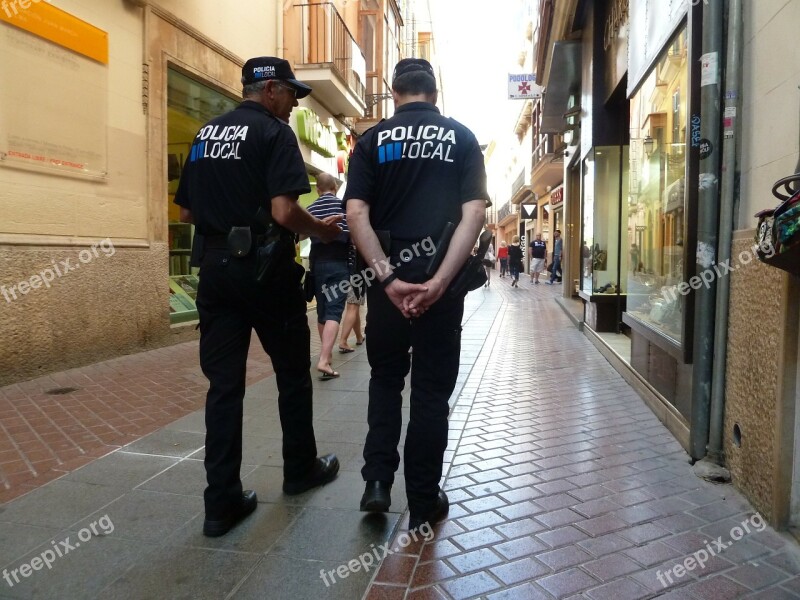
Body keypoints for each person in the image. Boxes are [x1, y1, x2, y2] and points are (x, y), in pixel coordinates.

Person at [174, 56, 341, 537]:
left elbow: (185, 212)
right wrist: (322, 232)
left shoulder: (206, 134)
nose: (293, 104)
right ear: (269, 91)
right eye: (290, 93)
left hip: (214, 275)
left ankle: (220, 503)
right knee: (292, 373)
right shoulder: (274, 133)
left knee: (223, 388)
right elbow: (285, 211)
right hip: (266, 272)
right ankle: (299, 469)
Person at [344, 58, 489, 530]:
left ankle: (377, 484)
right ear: (434, 92)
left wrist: (387, 279)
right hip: (440, 288)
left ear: (394, 91)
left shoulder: (370, 141)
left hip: (386, 289)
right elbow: (474, 217)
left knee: (385, 380)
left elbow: (357, 214)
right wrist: (440, 282)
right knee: (430, 392)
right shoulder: (463, 139)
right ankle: (423, 498)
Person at [305, 173, 349, 378]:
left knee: (322, 311)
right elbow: (354, 236)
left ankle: (327, 356)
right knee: (334, 311)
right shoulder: (344, 209)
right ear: (335, 187)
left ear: (318, 189)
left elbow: (299, 235)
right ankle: (324, 359)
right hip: (339, 264)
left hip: (317, 265)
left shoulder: (311, 210)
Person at [338, 286, 365, 352]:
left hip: (342, 280)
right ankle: (343, 341)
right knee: (352, 307)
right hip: (356, 279)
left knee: (355, 308)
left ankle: (359, 337)